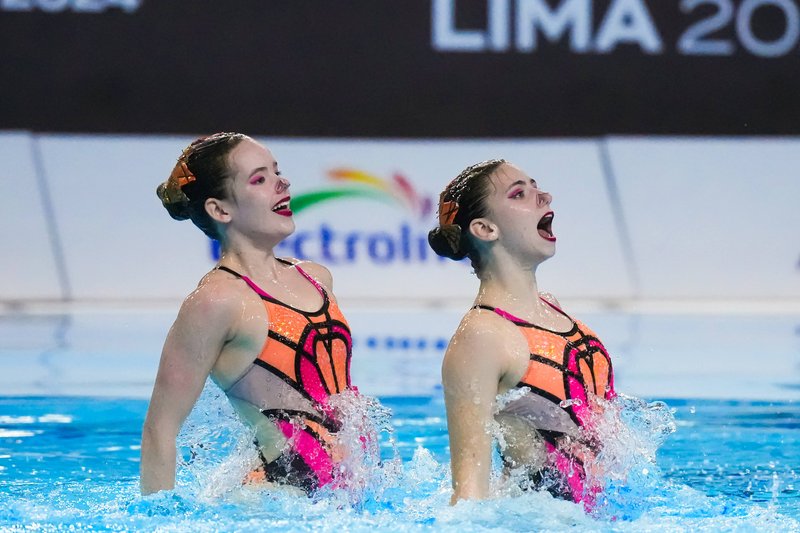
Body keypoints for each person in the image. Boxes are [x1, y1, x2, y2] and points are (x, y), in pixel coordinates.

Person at [141, 132, 357, 496]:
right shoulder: (216, 301)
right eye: (260, 179)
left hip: (349, 489)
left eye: (277, 172)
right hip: (274, 499)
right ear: (220, 209)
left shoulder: (317, 279)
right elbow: (160, 430)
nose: (282, 182)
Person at [428, 159, 616, 509]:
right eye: (520, 194)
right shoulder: (482, 336)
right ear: (485, 229)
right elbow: (470, 493)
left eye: (536, 186)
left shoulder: (551, 307)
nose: (544, 196)